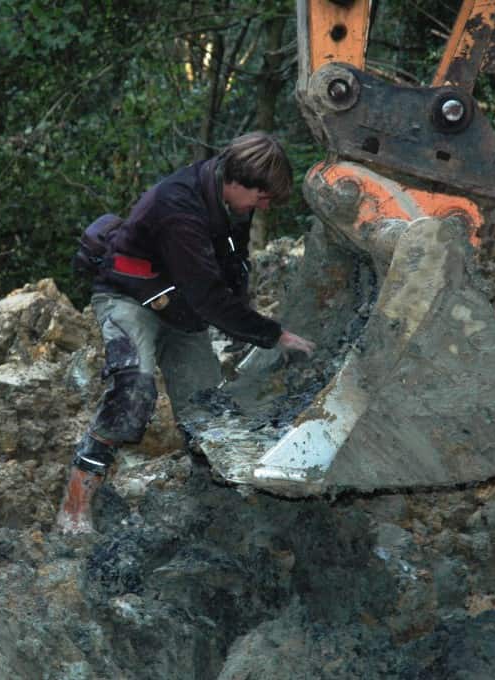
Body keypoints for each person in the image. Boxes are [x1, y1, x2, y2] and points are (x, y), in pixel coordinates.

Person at [56, 132, 315, 534]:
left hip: (183, 308)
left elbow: (233, 268)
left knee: (209, 411)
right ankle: (76, 502)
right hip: (130, 297)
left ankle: (213, 508)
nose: (264, 207)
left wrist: (242, 314)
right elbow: (208, 296)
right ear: (237, 181)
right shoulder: (178, 204)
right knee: (133, 392)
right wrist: (272, 334)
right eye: (262, 198)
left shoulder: (233, 207)